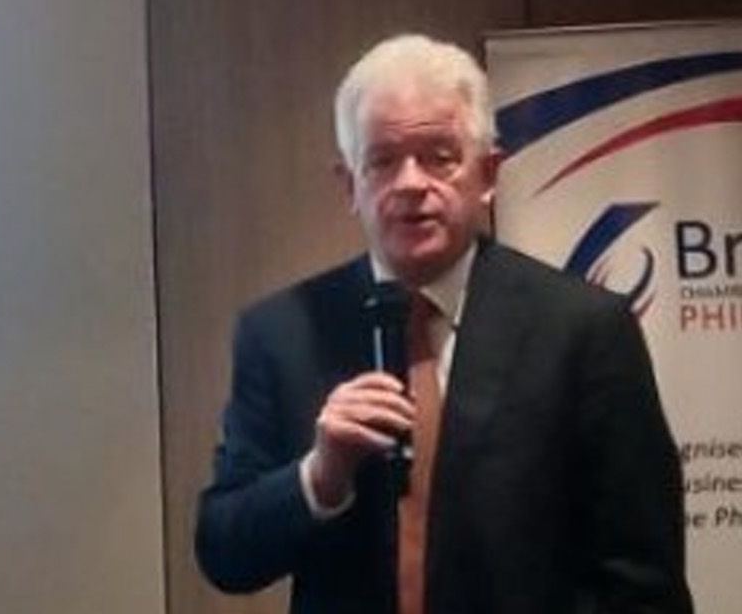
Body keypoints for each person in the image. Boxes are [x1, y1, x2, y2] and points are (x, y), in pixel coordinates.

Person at [195, 32, 692, 613]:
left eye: (439, 156)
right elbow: (225, 553)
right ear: (350, 185)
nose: (411, 183)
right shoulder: (281, 334)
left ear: (487, 174)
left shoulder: (585, 330)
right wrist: (319, 476)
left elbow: (643, 580)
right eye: (383, 160)